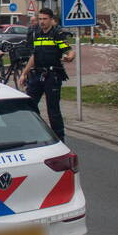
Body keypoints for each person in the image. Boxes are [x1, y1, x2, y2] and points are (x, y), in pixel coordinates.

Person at [19, 8, 75, 141]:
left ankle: (59, 138)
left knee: (53, 110)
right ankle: (38, 131)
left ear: (51, 20)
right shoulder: (36, 34)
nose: (42, 22)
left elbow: (68, 50)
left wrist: (70, 57)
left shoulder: (57, 34)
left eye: (44, 19)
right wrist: (24, 73)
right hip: (37, 75)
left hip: (52, 75)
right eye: (40, 19)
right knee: (29, 105)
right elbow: (34, 56)